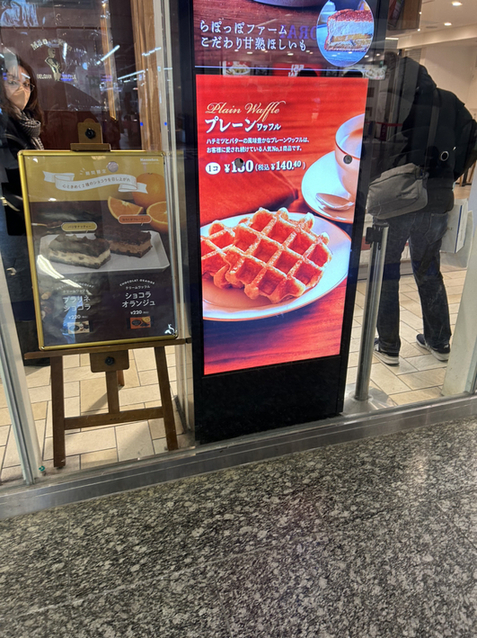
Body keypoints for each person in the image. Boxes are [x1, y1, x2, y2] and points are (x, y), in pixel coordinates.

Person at [373, 56, 477, 366]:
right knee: (429, 270)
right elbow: (473, 138)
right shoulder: (449, 100)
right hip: (437, 198)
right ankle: (439, 342)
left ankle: (389, 345)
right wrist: (450, 173)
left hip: (396, 200)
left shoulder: (391, 102)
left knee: (387, 272)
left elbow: (377, 146)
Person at [0, 54, 49, 365]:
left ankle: (36, 342)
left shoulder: (24, 123)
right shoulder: (5, 124)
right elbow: (12, 178)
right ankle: (29, 349)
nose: (23, 89)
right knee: (19, 280)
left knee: (30, 277)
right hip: (11, 217)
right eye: (13, 81)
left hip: (25, 213)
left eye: (28, 83)